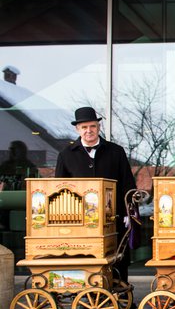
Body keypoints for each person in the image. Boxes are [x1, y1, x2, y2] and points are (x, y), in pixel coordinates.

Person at [55, 106, 137, 284]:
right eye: (84, 127)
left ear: (98, 127)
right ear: (77, 129)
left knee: (118, 257)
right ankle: (89, 296)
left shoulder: (116, 151)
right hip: (80, 221)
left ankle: (122, 297)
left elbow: (128, 184)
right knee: (85, 257)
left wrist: (129, 212)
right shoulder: (66, 155)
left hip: (114, 216)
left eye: (92, 126)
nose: (88, 131)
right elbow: (59, 189)